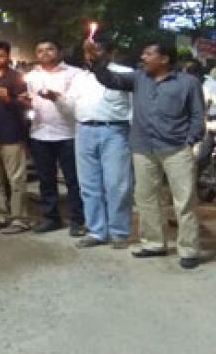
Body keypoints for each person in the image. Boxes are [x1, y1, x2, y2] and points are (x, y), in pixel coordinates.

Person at [89, 41, 205, 269]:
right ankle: (153, 243)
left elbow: (197, 115)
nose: (143, 57)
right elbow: (111, 80)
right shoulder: (139, 78)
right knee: (146, 198)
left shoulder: (188, 83)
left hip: (176, 149)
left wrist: (190, 140)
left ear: (165, 59)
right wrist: (97, 61)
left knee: (184, 201)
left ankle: (189, 249)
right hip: (143, 147)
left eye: (148, 53)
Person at [67, 38, 134, 249]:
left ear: (109, 52)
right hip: (84, 130)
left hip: (115, 131)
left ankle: (119, 232)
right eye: (88, 51)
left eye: (96, 50)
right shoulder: (80, 77)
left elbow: (134, 107)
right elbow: (70, 104)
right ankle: (96, 230)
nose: (91, 54)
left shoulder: (124, 73)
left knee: (117, 184)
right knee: (88, 185)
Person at [23, 39, 84, 235]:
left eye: (50, 49)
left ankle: (78, 219)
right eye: (40, 50)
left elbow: (76, 104)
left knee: (73, 179)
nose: (45, 53)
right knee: (46, 179)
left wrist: (56, 97)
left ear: (59, 52)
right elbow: (31, 102)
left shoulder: (74, 74)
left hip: (68, 133)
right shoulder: (31, 76)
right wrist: (26, 104)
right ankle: (51, 218)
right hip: (40, 132)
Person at [0, 40, 31, 234]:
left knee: (16, 179)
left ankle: (19, 218)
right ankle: (1, 215)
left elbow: (26, 105)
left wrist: (9, 99)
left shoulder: (17, 78)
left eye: (0, 55)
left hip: (11, 135)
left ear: (7, 57)